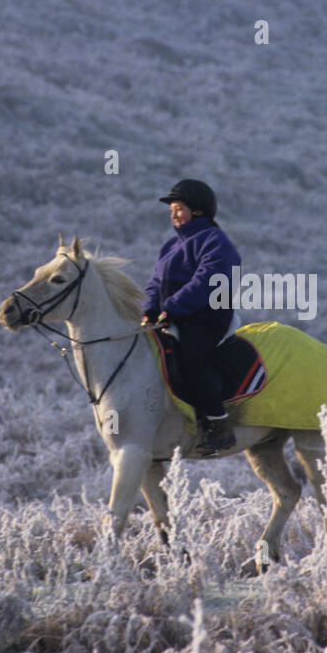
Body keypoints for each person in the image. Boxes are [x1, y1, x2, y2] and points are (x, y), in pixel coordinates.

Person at [142, 179, 241, 456]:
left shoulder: (215, 241)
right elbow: (154, 282)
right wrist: (149, 308)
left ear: (198, 211)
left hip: (206, 317)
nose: (173, 214)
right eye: (172, 209)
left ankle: (218, 424)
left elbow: (207, 280)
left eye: (179, 208)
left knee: (191, 358)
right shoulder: (169, 246)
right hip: (173, 316)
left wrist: (173, 306)